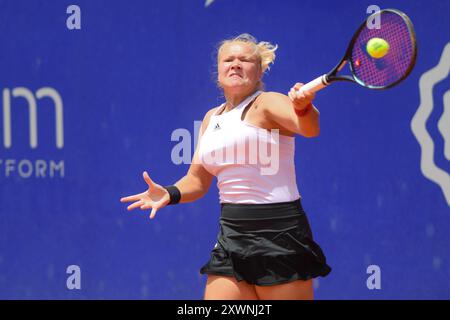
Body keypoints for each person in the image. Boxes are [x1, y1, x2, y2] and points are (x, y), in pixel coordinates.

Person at [120, 33, 331, 300]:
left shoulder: (267, 102)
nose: (235, 64)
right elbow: (196, 180)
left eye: (245, 60)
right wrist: (169, 193)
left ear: (259, 70)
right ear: (218, 72)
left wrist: (303, 107)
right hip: (232, 235)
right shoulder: (212, 117)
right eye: (228, 59)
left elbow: (309, 128)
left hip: (281, 235)